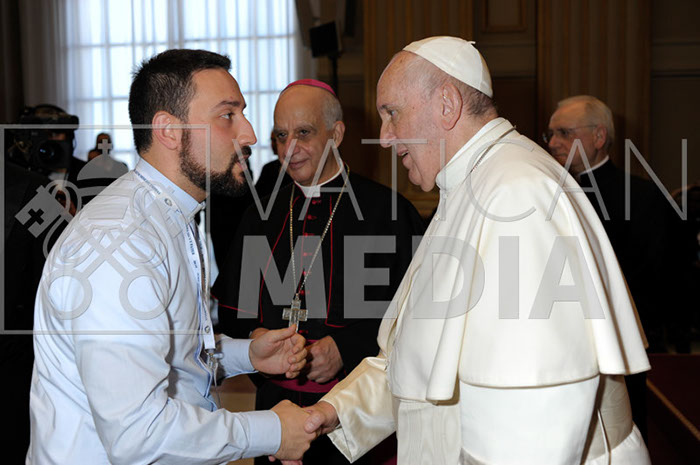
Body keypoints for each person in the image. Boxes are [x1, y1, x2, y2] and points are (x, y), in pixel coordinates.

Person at [301, 36, 651, 464]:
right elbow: (417, 360)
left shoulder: (516, 196)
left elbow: (534, 424)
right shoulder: (470, 185)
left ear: (447, 104)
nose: (385, 138)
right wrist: (334, 411)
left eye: (392, 113)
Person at [28, 49, 316, 464]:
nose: (250, 134)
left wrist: (246, 355)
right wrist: (272, 431)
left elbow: (172, 353)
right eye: (228, 115)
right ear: (169, 131)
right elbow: (139, 435)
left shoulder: (171, 216)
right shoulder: (119, 243)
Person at [213, 79, 424, 465]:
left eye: (304, 133)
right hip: (277, 415)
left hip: (358, 424)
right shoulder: (261, 216)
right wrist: (256, 337)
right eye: (281, 135)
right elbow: (233, 312)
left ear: (336, 134)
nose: (289, 148)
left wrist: (347, 349)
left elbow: (417, 319)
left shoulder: (388, 213)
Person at [545, 95, 676, 439]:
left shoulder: (642, 197)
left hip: (619, 343)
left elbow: (655, 280)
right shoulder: (547, 194)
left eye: (564, 133)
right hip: (558, 346)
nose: (553, 143)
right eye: (550, 134)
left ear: (599, 137)